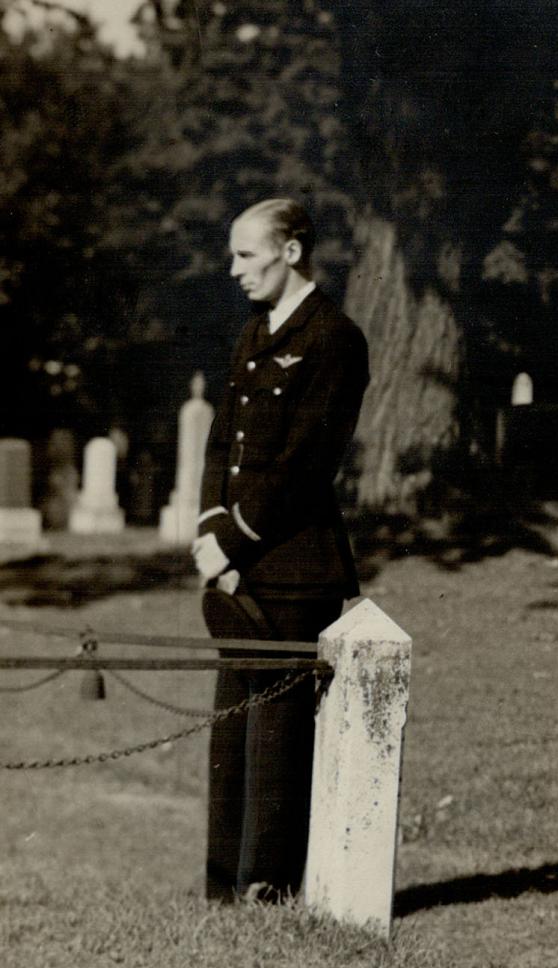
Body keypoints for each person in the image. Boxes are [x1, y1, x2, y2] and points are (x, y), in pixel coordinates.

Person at [194, 197, 370, 902]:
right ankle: (219, 893)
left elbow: (305, 462)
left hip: (293, 569)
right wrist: (211, 526)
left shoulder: (333, 337)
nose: (233, 269)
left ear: (291, 251)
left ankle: (267, 891)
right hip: (235, 566)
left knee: (279, 742)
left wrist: (233, 538)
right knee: (230, 737)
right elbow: (221, 442)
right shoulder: (253, 333)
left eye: (246, 254)